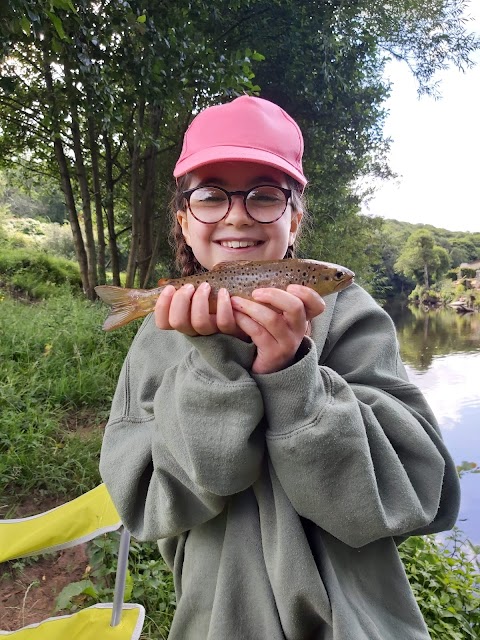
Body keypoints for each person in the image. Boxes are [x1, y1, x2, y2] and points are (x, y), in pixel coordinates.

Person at [99, 95, 460, 640]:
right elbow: (149, 512)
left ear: (293, 222)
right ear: (185, 222)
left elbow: (420, 494)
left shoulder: (355, 317)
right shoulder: (158, 335)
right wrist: (214, 367)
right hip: (217, 621)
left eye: (265, 197)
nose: (238, 213)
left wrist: (295, 375)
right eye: (211, 196)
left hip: (360, 624)